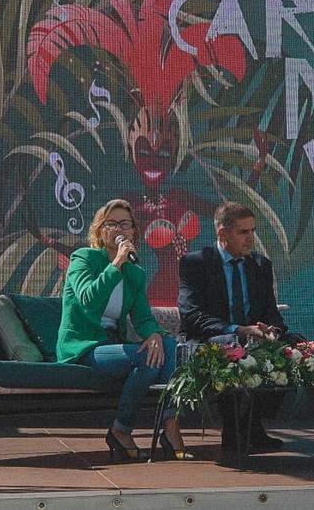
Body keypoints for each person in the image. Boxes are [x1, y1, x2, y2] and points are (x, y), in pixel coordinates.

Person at [57, 198, 192, 462]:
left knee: (169, 346)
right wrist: (115, 264)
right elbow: (88, 299)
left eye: (125, 224)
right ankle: (121, 429)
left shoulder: (135, 273)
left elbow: (142, 318)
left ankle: (171, 425)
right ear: (99, 231)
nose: (119, 229)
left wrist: (154, 334)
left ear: (133, 232)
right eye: (112, 224)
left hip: (112, 343)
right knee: (146, 359)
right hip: (85, 346)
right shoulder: (83, 259)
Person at [179, 201, 300, 452]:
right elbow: (192, 316)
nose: (251, 238)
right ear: (223, 234)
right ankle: (234, 428)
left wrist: (273, 331)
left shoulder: (260, 265)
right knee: (231, 347)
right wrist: (237, 329)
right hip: (213, 339)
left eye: (253, 231)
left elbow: (271, 313)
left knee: (295, 346)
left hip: (252, 338)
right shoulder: (196, 263)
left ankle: (251, 421)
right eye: (243, 232)